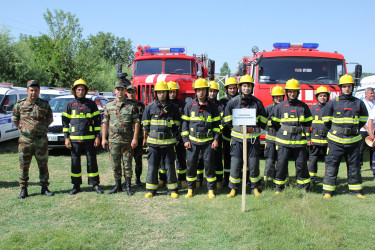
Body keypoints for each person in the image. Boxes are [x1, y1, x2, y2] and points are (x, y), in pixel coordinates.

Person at [322, 74, 368, 199]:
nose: (347, 89)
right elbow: (326, 121)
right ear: (340, 88)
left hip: (353, 141)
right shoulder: (332, 103)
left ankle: (356, 191)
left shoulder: (359, 103)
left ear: (352, 87)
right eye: (344, 86)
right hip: (335, 141)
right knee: (332, 165)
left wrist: (351, 130)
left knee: (354, 166)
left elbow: (363, 119)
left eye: (349, 86)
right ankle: (328, 191)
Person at [223, 74, 267, 197]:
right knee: (235, 164)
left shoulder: (257, 103)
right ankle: (233, 188)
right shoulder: (232, 103)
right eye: (244, 86)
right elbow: (227, 120)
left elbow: (263, 121)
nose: (246, 88)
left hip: (253, 140)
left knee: (253, 164)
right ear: (240, 87)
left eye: (249, 86)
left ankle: (255, 188)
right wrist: (236, 128)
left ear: (252, 88)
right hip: (237, 140)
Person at [12, 80, 54, 199]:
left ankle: (44, 187)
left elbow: (49, 119)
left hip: (41, 141)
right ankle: (23, 189)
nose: (33, 93)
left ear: (39, 91)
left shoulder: (44, 104)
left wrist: (40, 128)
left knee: (43, 165)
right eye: (31, 90)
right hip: (25, 141)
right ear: (27, 91)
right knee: (24, 165)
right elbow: (15, 119)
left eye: (36, 90)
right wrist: (24, 128)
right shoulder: (20, 104)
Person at [62, 78, 104, 195]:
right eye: (78, 89)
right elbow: (65, 123)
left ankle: (95, 184)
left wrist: (97, 136)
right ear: (74, 91)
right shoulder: (69, 105)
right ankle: (76, 185)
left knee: (92, 162)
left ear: (86, 91)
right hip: (75, 139)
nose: (80, 91)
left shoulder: (91, 104)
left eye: (83, 89)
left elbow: (97, 121)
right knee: (75, 162)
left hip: (90, 139)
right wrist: (66, 137)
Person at [181, 78, 220, 199]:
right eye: (198, 90)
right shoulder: (189, 106)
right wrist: (185, 140)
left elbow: (217, 126)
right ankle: (190, 189)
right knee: (191, 165)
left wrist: (216, 139)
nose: (201, 92)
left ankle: (211, 190)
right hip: (192, 142)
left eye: (203, 90)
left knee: (209, 166)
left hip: (208, 142)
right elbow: (184, 125)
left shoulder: (213, 107)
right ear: (195, 91)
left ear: (207, 91)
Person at [272, 79, 312, 194]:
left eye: (294, 91)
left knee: (301, 165)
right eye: (290, 91)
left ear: (297, 92)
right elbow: (274, 123)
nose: (292, 94)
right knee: (281, 164)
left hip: (299, 141)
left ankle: (303, 187)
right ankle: (279, 187)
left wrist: (307, 138)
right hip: (283, 140)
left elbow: (308, 123)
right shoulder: (280, 106)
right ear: (286, 92)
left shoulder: (303, 107)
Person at [142, 81, 181, 198]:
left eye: (163, 92)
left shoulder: (173, 108)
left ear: (167, 93)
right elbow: (146, 125)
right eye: (159, 92)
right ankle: (151, 189)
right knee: (152, 166)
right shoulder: (149, 107)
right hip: (153, 144)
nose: (161, 94)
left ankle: (172, 189)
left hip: (168, 143)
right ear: (156, 93)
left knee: (169, 166)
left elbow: (177, 125)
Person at [102, 81, 140, 195]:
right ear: (115, 91)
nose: (120, 91)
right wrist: (104, 138)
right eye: (118, 89)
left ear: (125, 91)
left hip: (127, 140)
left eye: (122, 89)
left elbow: (137, 123)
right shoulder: (109, 105)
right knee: (115, 164)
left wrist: (135, 139)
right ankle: (117, 185)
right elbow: (105, 122)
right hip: (113, 140)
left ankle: (128, 186)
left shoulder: (131, 106)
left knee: (127, 163)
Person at [158, 81, 187, 188]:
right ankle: (162, 178)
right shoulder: (162, 104)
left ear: (176, 92)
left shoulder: (182, 104)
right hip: (166, 136)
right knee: (163, 159)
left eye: (173, 92)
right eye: (170, 92)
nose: (171, 94)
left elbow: (184, 120)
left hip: (179, 135)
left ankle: (182, 179)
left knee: (181, 158)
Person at [307, 86, 330, 185]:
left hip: (328, 140)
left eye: (325, 96)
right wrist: (308, 138)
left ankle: (328, 180)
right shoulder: (311, 109)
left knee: (329, 161)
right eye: (320, 95)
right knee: (312, 161)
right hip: (314, 140)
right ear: (317, 97)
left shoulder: (330, 109)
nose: (323, 97)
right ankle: (312, 180)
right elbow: (306, 125)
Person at [264, 86, 285, 187]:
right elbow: (262, 123)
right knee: (269, 162)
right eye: (276, 96)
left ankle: (282, 181)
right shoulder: (268, 109)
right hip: (270, 139)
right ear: (272, 97)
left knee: (282, 161)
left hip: (283, 140)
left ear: (283, 97)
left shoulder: (286, 108)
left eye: (280, 96)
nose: (278, 98)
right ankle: (267, 182)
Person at [220, 77, 239, 186]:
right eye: (230, 88)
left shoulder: (240, 100)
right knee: (227, 158)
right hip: (226, 135)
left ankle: (240, 178)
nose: (232, 90)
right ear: (226, 89)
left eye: (234, 88)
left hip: (239, 134)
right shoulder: (222, 102)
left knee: (239, 158)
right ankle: (226, 179)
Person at [126, 84, 145, 187]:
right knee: (126, 160)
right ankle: (127, 179)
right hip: (126, 136)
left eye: (133, 92)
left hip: (139, 136)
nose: (131, 94)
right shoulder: (123, 104)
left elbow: (144, 121)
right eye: (129, 92)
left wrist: (144, 137)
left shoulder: (140, 105)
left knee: (138, 159)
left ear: (136, 93)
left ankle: (138, 179)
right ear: (127, 93)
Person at [207, 81, 225, 189]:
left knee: (218, 159)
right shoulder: (205, 104)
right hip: (206, 136)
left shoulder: (221, 105)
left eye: (214, 91)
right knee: (203, 160)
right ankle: (200, 181)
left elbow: (222, 121)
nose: (212, 93)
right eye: (210, 91)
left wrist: (217, 135)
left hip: (218, 136)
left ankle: (219, 181)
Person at [359, 87, 375, 167]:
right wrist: (367, 128)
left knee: (372, 148)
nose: (372, 95)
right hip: (363, 129)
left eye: (373, 93)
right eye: (371, 93)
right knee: (361, 148)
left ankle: (372, 165)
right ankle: (359, 165)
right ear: (366, 94)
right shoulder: (362, 103)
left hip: (373, 130)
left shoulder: (374, 102)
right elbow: (360, 117)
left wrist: (372, 130)